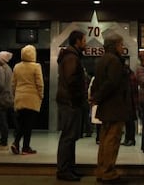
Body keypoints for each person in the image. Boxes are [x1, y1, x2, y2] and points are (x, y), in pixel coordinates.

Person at [91, 33, 130, 184]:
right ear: (115, 46)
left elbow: (97, 82)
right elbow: (112, 83)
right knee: (112, 140)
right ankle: (109, 172)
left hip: (105, 106)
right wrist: (98, 97)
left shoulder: (102, 60)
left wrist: (96, 97)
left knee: (104, 139)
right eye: (121, 44)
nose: (122, 47)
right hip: (114, 106)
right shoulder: (114, 60)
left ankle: (101, 170)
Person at [56, 30, 87, 182]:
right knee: (68, 137)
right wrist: (79, 97)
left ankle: (70, 167)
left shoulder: (72, 56)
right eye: (84, 40)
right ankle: (63, 170)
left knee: (70, 137)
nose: (86, 43)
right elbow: (71, 80)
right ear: (77, 41)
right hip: (70, 102)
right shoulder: (71, 57)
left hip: (70, 101)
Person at [10, 45, 44, 155]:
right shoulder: (36, 66)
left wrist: (15, 95)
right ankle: (24, 147)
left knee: (22, 123)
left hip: (19, 98)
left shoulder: (16, 67)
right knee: (28, 124)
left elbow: (13, 84)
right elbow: (39, 83)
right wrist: (41, 95)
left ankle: (18, 144)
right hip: (32, 98)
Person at [121, 66, 138, 147]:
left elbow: (132, 91)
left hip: (130, 102)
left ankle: (130, 139)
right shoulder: (131, 76)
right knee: (129, 122)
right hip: (130, 102)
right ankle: (129, 139)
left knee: (130, 122)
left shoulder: (129, 78)